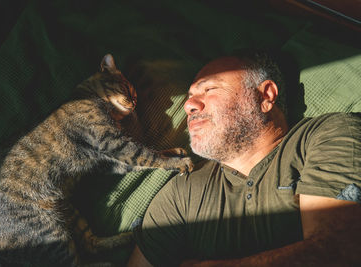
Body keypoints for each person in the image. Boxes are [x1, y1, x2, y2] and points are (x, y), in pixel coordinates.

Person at [128, 50, 361, 266]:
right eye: (189, 96)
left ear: (265, 95)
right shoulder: (183, 190)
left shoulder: (327, 135)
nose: (188, 105)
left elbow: (337, 251)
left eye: (209, 90)